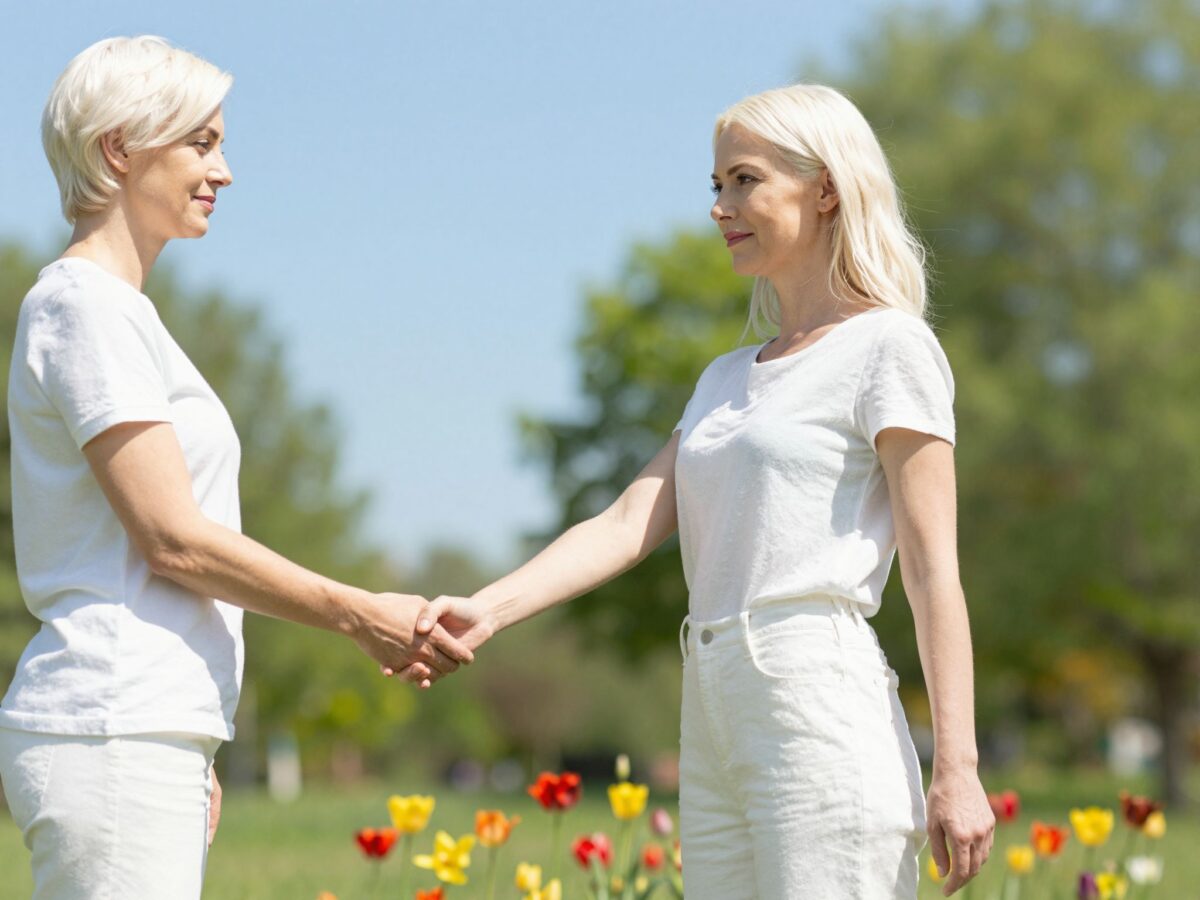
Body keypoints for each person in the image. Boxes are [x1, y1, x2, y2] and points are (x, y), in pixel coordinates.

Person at [411, 84, 995, 898]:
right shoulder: (724, 379)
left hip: (815, 695)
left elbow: (933, 573)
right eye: (716, 185)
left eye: (745, 180)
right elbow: (625, 523)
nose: (720, 207)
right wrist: (488, 610)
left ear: (826, 189)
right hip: (712, 697)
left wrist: (957, 767)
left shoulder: (889, 347)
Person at [0, 36, 472, 900]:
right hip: (115, 723)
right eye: (202, 143)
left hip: (144, 728)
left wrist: (192, 730)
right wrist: (358, 613)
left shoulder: (121, 314)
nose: (225, 170)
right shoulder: (85, 307)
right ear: (119, 148)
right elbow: (172, 540)